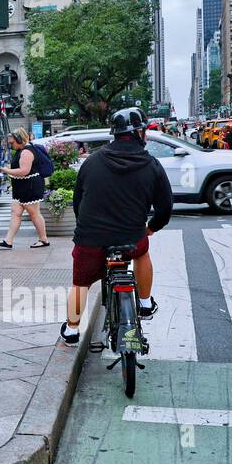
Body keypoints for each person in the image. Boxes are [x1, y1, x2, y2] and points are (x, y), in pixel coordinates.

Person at [61, 108, 173, 346]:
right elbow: (165, 208)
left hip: (90, 238)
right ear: (139, 133)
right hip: (131, 236)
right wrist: (151, 227)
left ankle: (71, 330)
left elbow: (78, 203)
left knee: (81, 283)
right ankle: (144, 303)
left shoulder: (91, 162)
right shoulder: (151, 164)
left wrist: (85, 226)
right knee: (142, 252)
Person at [0, 128, 50, 249]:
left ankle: (43, 239)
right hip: (21, 186)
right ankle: (8, 241)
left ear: (19, 140)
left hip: (29, 186)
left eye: (12, 142)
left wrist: (5, 170)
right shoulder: (21, 150)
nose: (11, 145)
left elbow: (24, 171)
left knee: (34, 213)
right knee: (16, 213)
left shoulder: (27, 151)